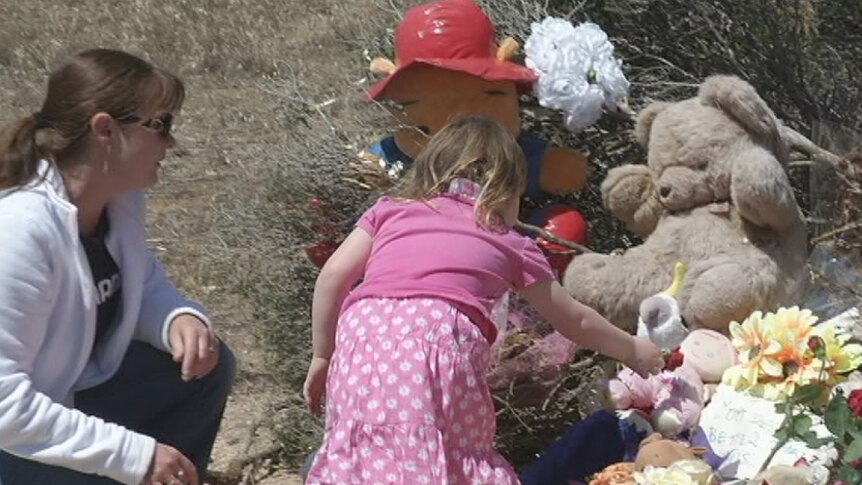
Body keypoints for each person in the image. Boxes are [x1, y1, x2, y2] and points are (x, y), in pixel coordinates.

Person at [302, 115, 664, 484]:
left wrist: (322, 354)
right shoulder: (509, 241)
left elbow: (333, 277)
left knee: (364, 446)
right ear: (505, 189)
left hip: (361, 332)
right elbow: (575, 320)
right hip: (436, 336)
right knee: (446, 451)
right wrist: (632, 348)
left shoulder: (390, 209)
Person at [0, 48, 236, 485]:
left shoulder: (115, 203)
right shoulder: (18, 232)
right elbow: (5, 407)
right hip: (10, 441)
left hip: (64, 398)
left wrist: (177, 319)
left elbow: (140, 285)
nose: (171, 142)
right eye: (160, 125)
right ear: (105, 130)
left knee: (208, 367)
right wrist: (134, 456)